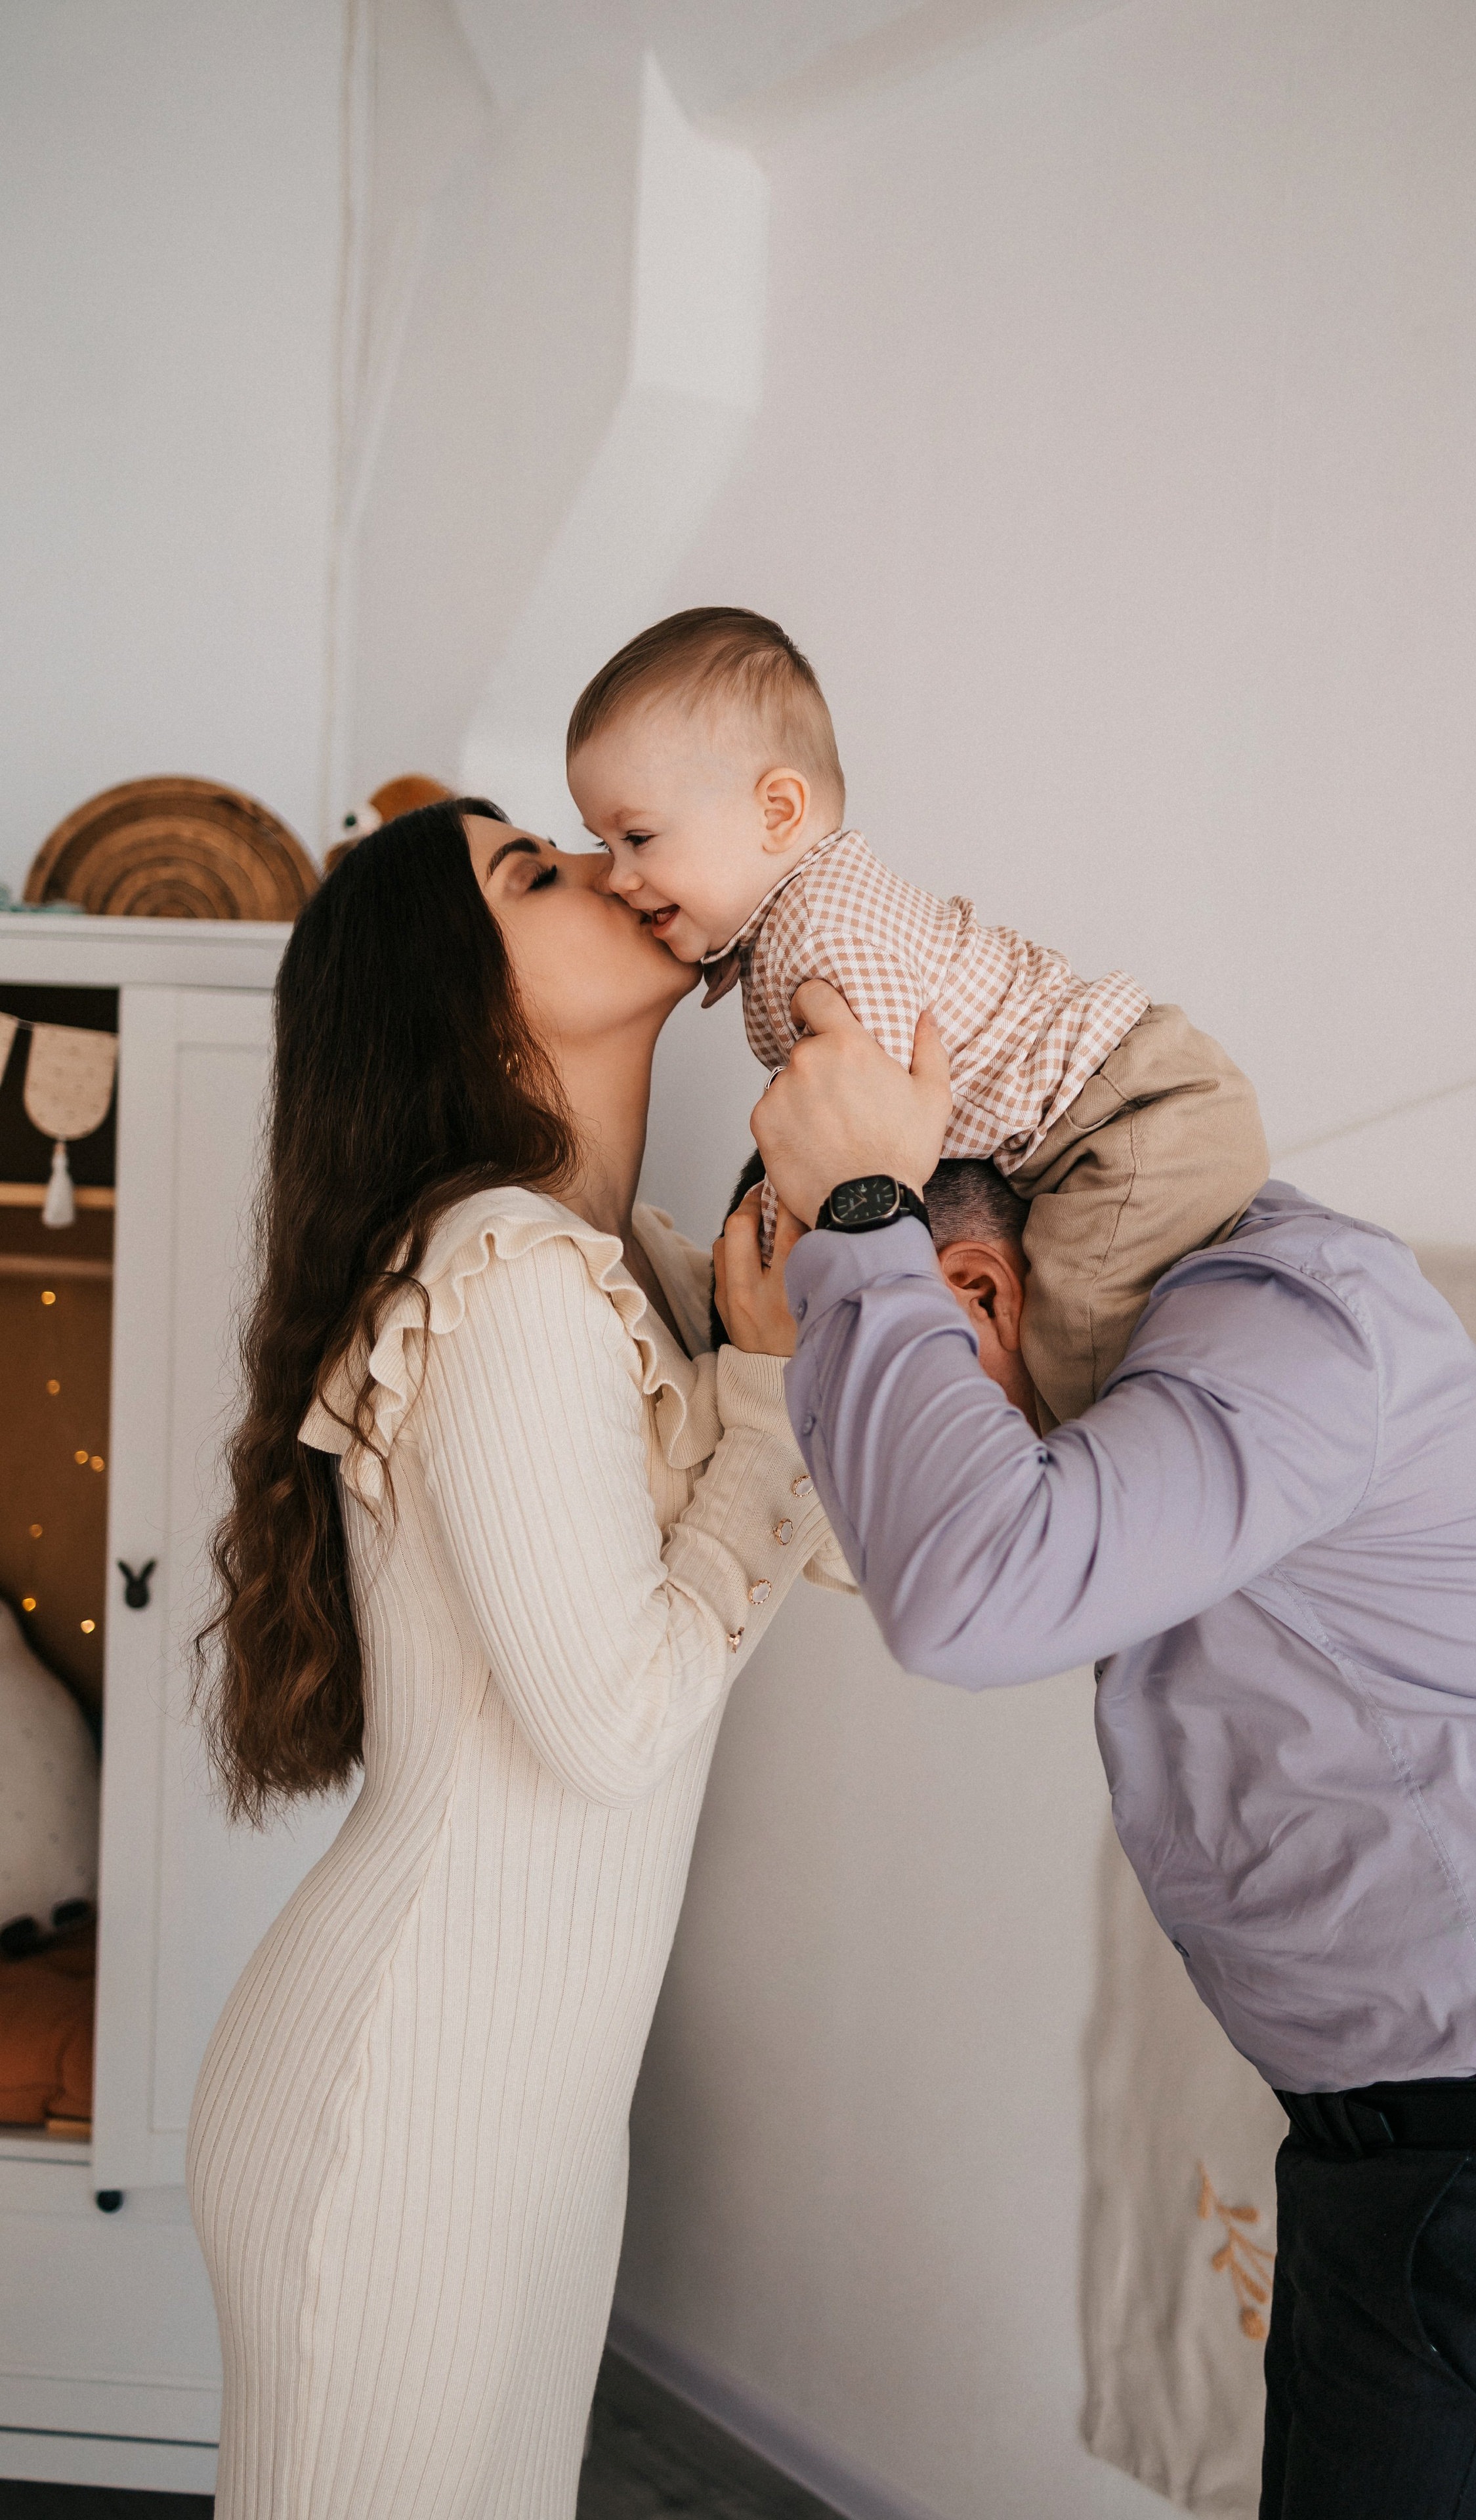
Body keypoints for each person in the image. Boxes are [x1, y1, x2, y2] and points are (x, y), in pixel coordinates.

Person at [727, 976, 1476, 2520]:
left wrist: (853, 1206)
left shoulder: (1275, 1316)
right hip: (1412, 2161)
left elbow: (969, 1589)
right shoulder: (1170, 1373)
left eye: (899, 1358)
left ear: (969, 1286)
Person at [188, 799, 834, 2520]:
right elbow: (618, 1723)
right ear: (461, 1003)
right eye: (532, 874)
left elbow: (822, 1547)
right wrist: (771, 1403)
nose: (609, 869)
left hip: (537, 2112)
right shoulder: (512, 1284)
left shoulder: (649, 1271)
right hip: (403, 2114)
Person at [567, 604, 1268, 1425]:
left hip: (1140, 1115)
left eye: (639, 839)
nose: (616, 877)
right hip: (1122, 1107)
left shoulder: (823, 932)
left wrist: (774, 1248)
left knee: (1079, 1358)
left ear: (778, 813)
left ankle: (1078, 1511)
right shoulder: (797, 918)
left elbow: (875, 1132)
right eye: (603, 844)